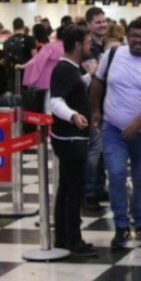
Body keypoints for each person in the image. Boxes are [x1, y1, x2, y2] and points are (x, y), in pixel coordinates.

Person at [90, 18, 141, 249]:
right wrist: (95, 109)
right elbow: (97, 82)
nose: (138, 40)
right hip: (112, 128)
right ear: (127, 36)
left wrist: (138, 121)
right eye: (134, 35)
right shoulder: (113, 55)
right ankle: (121, 226)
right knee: (115, 175)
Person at [48, 25, 97, 257]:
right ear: (77, 44)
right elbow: (56, 101)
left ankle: (63, 237)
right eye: (87, 42)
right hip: (70, 138)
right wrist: (74, 116)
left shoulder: (70, 69)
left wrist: (89, 76)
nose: (90, 46)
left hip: (70, 137)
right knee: (74, 189)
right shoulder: (64, 69)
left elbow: (73, 90)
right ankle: (73, 240)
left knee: (67, 187)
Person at [85, 7, 110, 208]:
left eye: (104, 21)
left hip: (104, 104)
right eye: (97, 22)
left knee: (101, 150)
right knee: (94, 150)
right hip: (91, 104)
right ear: (89, 25)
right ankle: (89, 192)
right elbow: (95, 73)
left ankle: (99, 188)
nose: (102, 25)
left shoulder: (104, 48)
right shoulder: (88, 48)